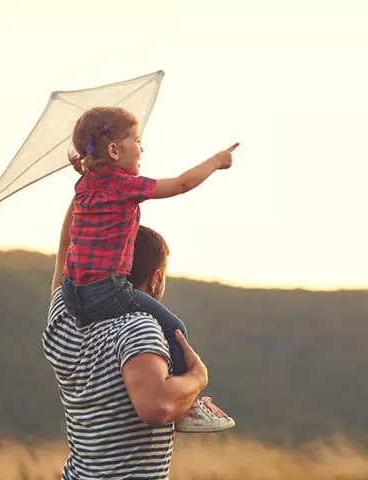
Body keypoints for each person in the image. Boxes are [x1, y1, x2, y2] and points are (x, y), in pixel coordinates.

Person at [60, 106, 237, 431]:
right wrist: (216, 161)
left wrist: (88, 167)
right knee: (175, 329)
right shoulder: (123, 185)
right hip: (107, 291)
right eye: (137, 141)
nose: (142, 148)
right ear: (114, 151)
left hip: (71, 292)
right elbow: (181, 184)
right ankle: (188, 406)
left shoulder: (84, 186)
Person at [44, 213, 229, 479]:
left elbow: (67, 243)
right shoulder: (137, 326)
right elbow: (157, 407)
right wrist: (198, 378)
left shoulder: (64, 318)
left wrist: (90, 181)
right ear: (155, 279)